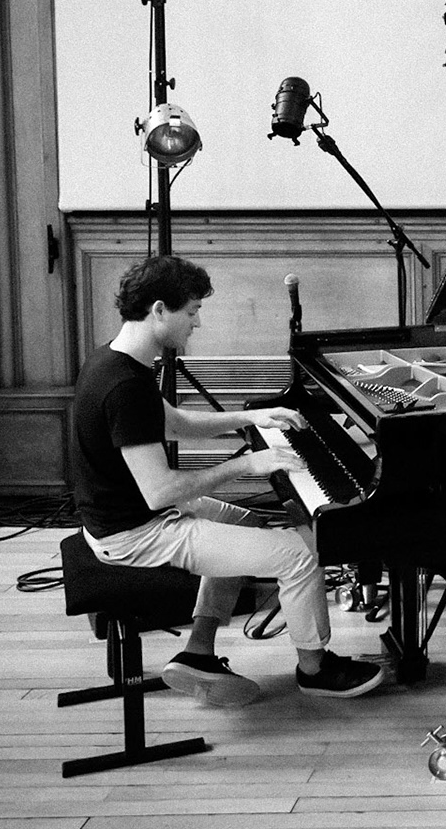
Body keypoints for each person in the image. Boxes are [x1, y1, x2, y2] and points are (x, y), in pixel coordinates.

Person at [68, 253, 385, 705]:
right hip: (135, 533)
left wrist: (251, 417)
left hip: (120, 518)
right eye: (192, 312)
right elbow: (160, 492)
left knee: (246, 522)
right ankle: (315, 669)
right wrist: (244, 465)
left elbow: (175, 423)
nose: (196, 323)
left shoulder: (115, 361)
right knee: (300, 556)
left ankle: (198, 651)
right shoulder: (125, 388)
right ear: (159, 310)